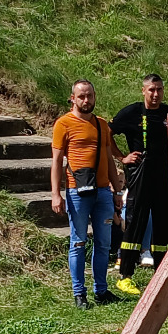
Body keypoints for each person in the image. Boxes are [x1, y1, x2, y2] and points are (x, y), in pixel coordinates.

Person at [50, 79, 125, 308]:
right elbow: (56, 162)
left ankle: (101, 291)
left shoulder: (101, 124)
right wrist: (56, 194)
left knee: (103, 243)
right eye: (81, 96)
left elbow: (109, 160)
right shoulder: (64, 124)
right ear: (72, 98)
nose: (86, 100)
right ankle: (79, 293)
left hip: (102, 191)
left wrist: (116, 190)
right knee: (79, 242)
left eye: (89, 96)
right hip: (76, 192)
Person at [108, 72, 168, 294]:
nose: (156, 94)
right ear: (144, 91)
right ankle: (125, 275)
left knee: (163, 223)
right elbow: (107, 133)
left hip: (164, 175)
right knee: (136, 221)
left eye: (159, 90)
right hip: (140, 174)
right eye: (151, 90)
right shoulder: (132, 112)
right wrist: (122, 157)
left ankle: (162, 272)